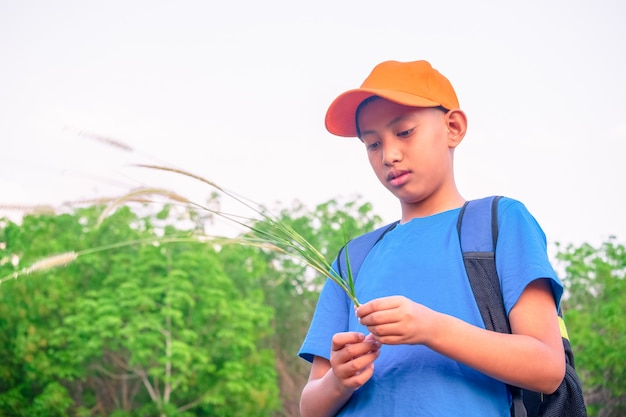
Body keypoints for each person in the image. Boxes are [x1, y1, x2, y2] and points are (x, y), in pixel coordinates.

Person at [298, 60, 566, 417]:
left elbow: (547, 369)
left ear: (453, 128)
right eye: (373, 144)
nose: (389, 155)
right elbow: (310, 407)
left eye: (405, 132)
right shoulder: (354, 257)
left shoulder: (498, 222)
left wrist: (430, 328)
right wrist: (339, 381)